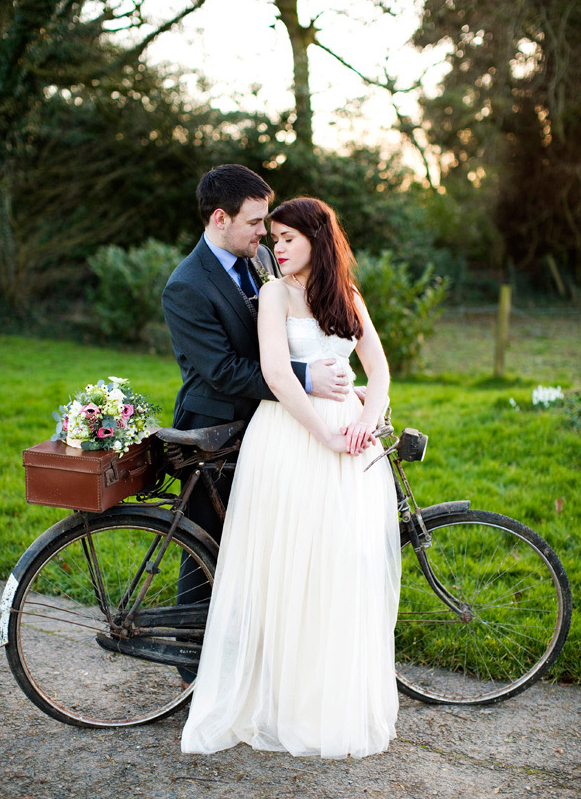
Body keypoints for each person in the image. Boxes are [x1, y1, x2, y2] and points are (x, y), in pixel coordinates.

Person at [180, 197, 401, 759]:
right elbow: (277, 373)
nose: (274, 249)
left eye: (286, 238)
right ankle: (272, 695)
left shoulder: (348, 296)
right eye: (271, 238)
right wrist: (323, 434)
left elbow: (378, 372)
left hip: (348, 442)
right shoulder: (274, 293)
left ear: (317, 239)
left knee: (338, 565)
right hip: (289, 436)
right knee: (284, 563)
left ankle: (322, 696)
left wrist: (365, 425)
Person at [162, 166, 353, 680]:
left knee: (263, 541)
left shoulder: (263, 257)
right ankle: (192, 667)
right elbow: (222, 370)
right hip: (214, 427)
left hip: (272, 425)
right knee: (207, 542)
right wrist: (304, 376)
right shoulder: (186, 286)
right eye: (255, 221)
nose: (265, 232)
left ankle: (251, 655)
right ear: (220, 218)